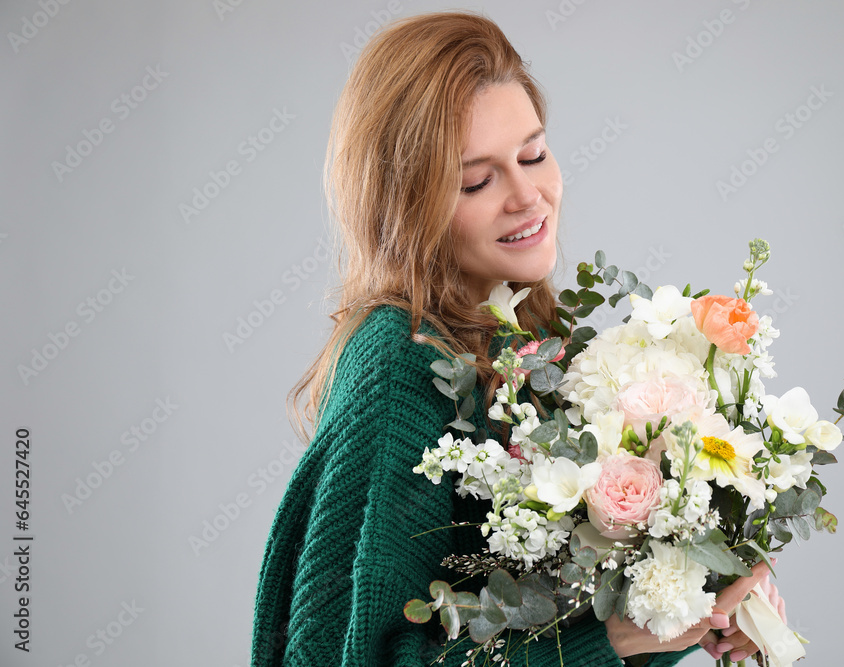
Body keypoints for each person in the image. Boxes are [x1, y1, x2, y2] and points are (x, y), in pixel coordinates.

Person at [250, 10, 782, 666]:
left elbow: (549, 627)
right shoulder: (400, 364)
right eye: (478, 179)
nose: (529, 194)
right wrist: (609, 640)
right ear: (410, 205)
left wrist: (689, 606)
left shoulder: (537, 340)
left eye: (533, 154)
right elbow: (343, 657)